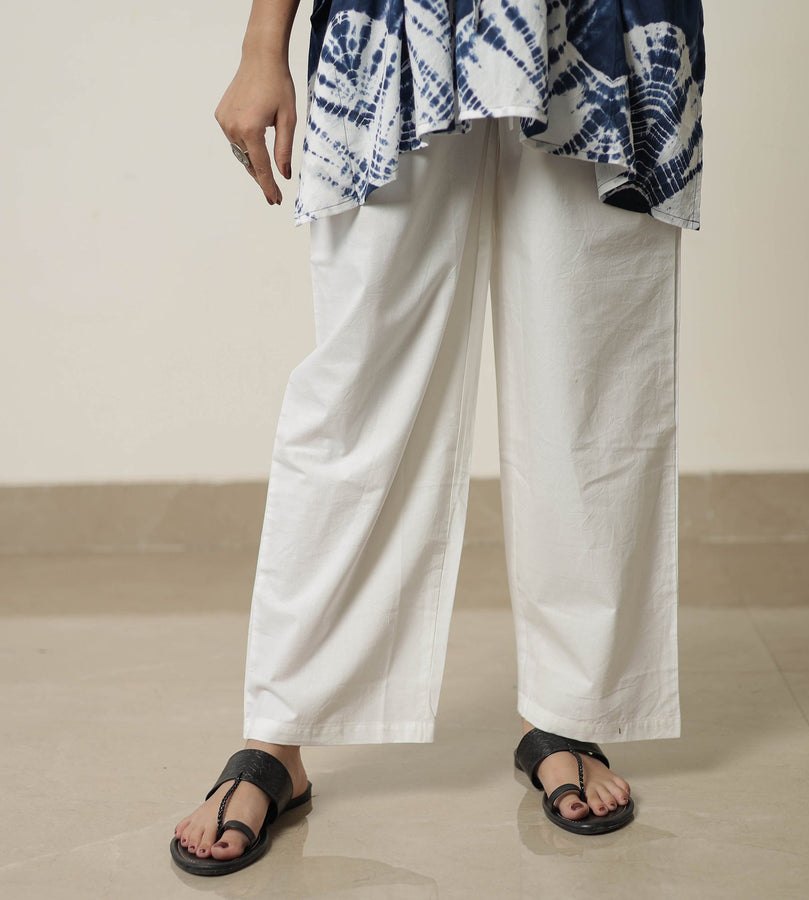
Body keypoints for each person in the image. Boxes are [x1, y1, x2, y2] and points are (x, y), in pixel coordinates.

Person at [171, 0, 705, 876]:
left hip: (597, 22)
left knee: (591, 382)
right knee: (357, 397)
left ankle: (568, 713)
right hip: (397, 22)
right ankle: (279, 735)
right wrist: (264, 40)